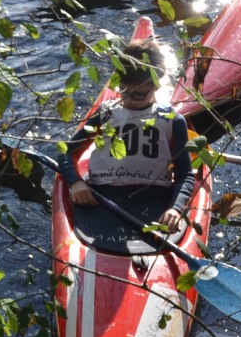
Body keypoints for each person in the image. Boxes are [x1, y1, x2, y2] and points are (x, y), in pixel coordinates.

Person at [57, 39, 197, 233]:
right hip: (101, 196)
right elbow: (66, 152)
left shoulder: (172, 121)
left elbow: (185, 175)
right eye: (123, 91)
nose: (129, 99)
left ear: (157, 84)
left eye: (138, 95)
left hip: (154, 199)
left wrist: (176, 208)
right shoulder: (106, 114)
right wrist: (76, 182)